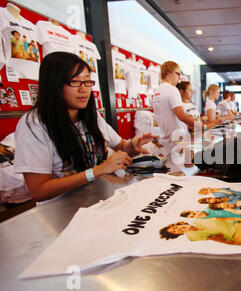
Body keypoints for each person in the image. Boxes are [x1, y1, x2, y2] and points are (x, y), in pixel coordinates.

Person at [14, 52, 155, 203]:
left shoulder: (90, 115)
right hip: (60, 211)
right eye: (74, 82)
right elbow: (38, 190)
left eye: (87, 81)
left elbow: (120, 144)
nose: (84, 89)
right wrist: (97, 171)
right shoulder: (34, 125)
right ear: (54, 84)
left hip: (96, 198)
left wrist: (132, 145)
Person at [152, 61, 200, 145]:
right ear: (169, 73)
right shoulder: (172, 89)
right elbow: (181, 115)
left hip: (165, 139)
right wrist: (201, 126)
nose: (179, 77)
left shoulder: (157, 91)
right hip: (177, 139)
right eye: (178, 73)